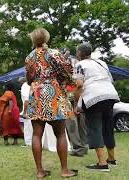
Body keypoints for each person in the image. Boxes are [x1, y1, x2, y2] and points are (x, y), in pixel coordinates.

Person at [25, 28, 78, 178]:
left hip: (36, 93)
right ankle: (64, 170)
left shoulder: (29, 57)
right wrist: (67, 82)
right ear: (46, 38)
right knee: (60, 133)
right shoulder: (54, 53)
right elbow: (67, 72)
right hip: (53, 92)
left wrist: (37, 82)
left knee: (36, 134)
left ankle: (40, 171)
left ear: (33, 40)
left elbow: (29, 79)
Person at [73, 43, 119, 172]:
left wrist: (77, 103)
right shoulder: (101, 63)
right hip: (110, 94)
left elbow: (79, 85)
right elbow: (110, 80)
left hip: (93, 97)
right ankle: (112, 159)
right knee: (108, 127)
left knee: (95, 128)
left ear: (79, 54)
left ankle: (102, 163)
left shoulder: (79, 64)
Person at [18, 77, 33, 146]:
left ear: (22, 82)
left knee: (28, 127)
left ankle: (28, 143)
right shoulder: (30, 85)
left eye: (19, 83)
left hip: (28, 110)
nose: (19, 84)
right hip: (33, 109)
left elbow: (26, 100)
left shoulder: (24, 87)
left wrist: (24, 112)